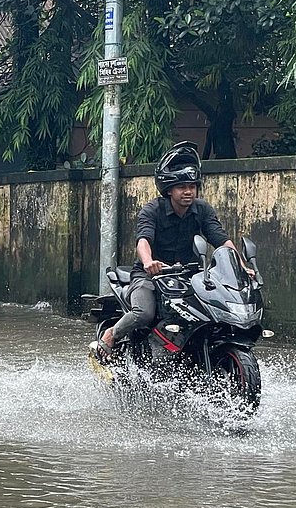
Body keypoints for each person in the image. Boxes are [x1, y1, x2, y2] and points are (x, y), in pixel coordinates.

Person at [92, 142, 240, 362]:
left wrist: (241, 265)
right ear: (169, 189)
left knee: (210, 314)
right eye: (182, 187)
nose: (188, 191)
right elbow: (143, 240)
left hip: (189, 276)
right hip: (150, 275)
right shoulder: (152, 210)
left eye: (192, 186)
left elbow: (220, 239)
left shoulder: (203, 210)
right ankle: (111, 334)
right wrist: (149, 261)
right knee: (144, 313)